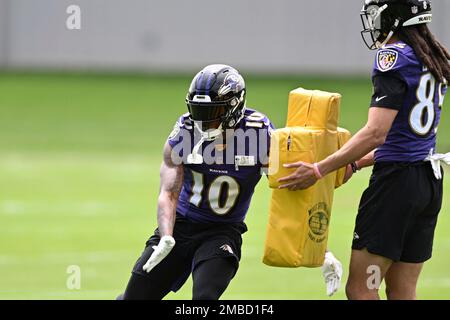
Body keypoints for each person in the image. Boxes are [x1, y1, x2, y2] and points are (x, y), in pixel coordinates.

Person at [119, 64, 343, 300]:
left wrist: (321, 251)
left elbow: (291, 192)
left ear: (233, 107)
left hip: (222, 232)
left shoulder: (258, 133)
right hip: (181, 225)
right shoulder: (185, 130)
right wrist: (166, 235)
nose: (203, 122)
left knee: (204, 300)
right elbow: (168, 192)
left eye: (211, 113)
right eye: (198, 111)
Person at [277, 0, 449, 300]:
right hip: (428, 182)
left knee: (360, 289)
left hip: (395, 186)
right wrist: (355, 164)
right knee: (402, 290)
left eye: (377, 15)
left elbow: (375, 133)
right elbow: (405, 141)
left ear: (394, 16)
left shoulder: (393, 56)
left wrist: (319, 169)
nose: (373, 23)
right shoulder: (432, 56)